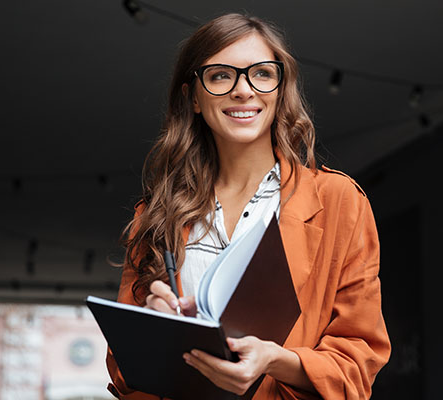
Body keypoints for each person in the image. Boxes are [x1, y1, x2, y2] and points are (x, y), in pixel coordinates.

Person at [106, 13, 390, 399]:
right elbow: (123, 373)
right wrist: (154, 334)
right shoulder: (156, 215)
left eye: (261, 73)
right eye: (221, 75)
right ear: (193, 98)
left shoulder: (339, 202)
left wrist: (275, 360)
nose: (243, 90)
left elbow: (358, 365)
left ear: (279, 90)